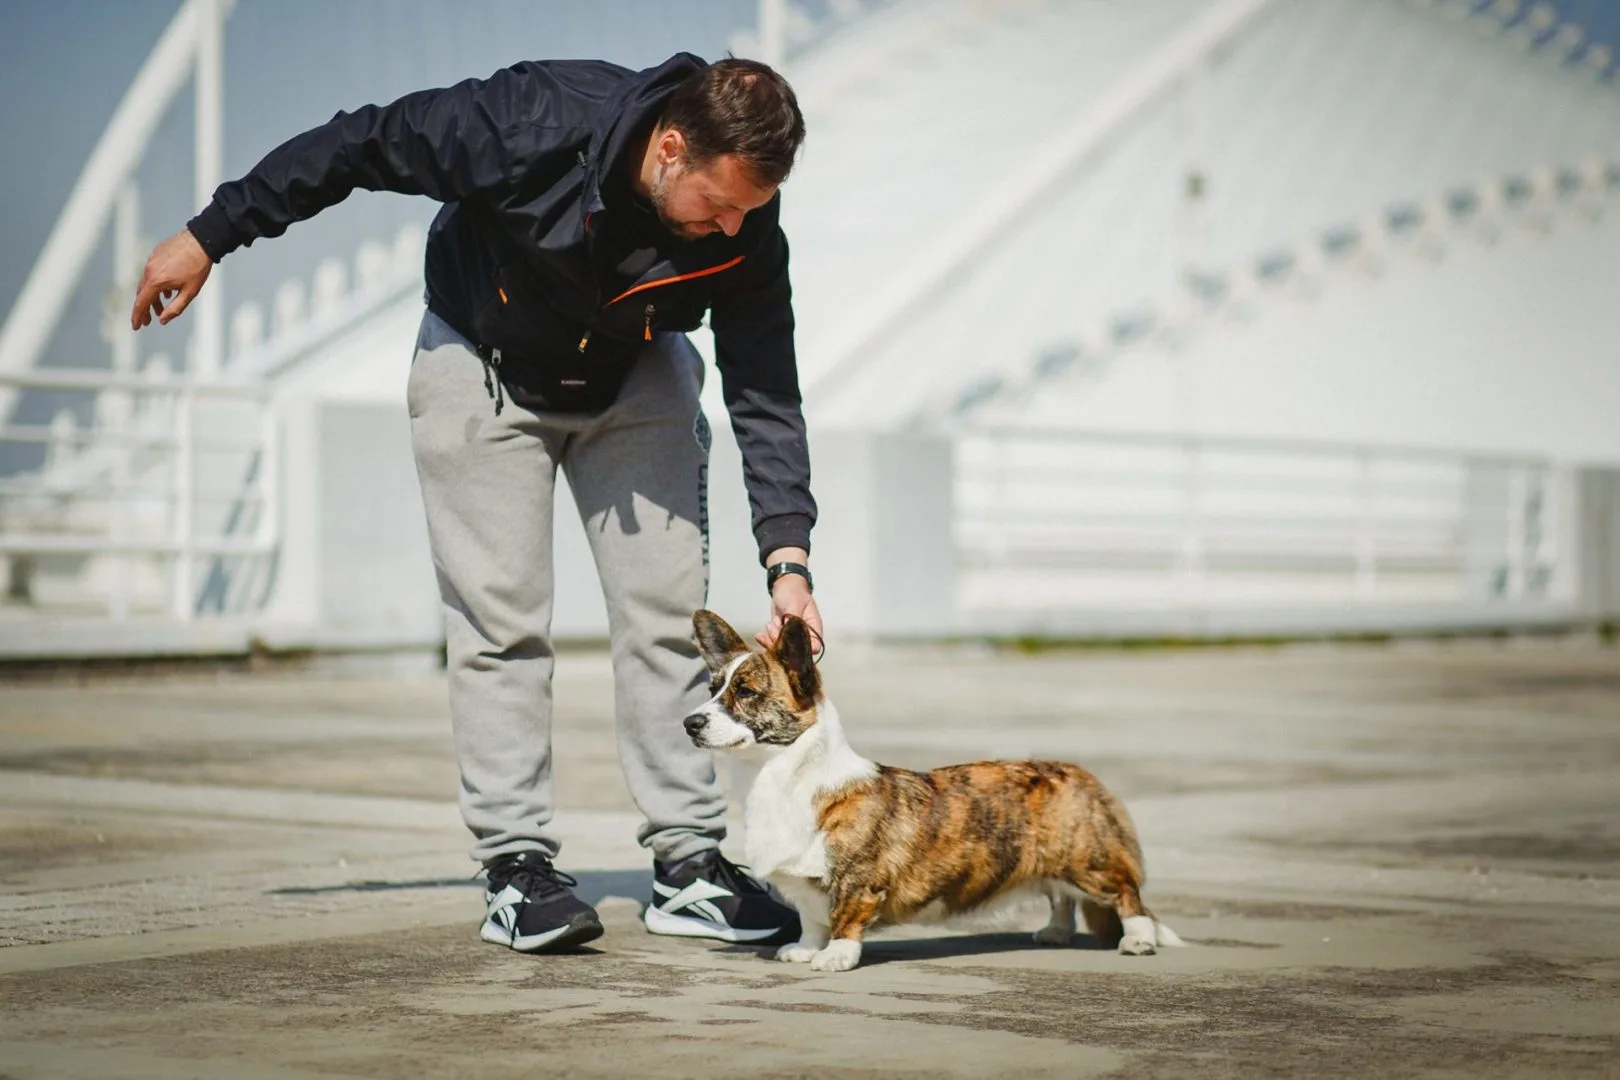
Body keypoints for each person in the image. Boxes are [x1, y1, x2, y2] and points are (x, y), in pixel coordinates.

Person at [131, 53, 822, 954]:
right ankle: (516, 867)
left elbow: (765, 386)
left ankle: (689, 864)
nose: (732, 227)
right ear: (669, 148)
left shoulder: (746, 227)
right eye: (719, 203)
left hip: (634, 368)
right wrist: (211, 234)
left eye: (749, 211)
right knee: (501, 621)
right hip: (484, 359)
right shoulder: (528, 121)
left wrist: (789, 561)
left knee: (667, 619)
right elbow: (360, 143)